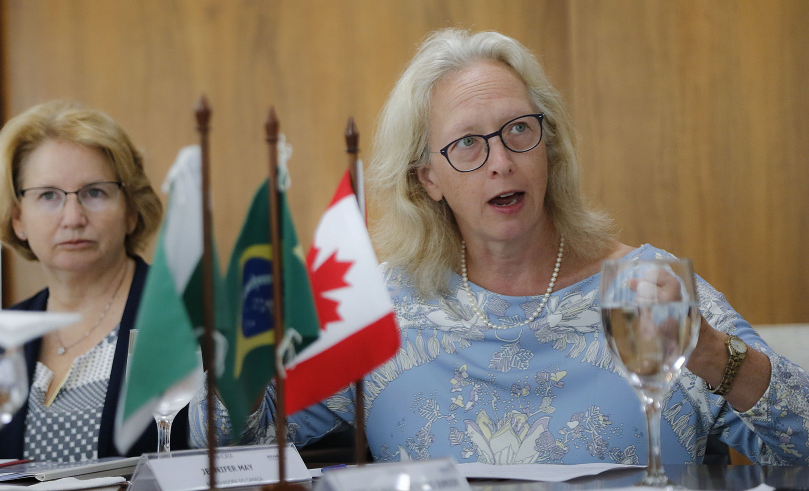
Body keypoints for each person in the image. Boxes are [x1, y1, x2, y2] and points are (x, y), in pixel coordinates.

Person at [190, 28, 809, 465]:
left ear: (549, 148)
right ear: (426, 178)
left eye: (519, 131)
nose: (501, 163)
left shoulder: (645, 284)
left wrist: (711, 354)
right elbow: (226, 449)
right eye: (467, 143)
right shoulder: (382, 304)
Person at [0, 100, 190, 462]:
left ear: (131, 211)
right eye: (49, 196)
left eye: (94, 192)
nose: (73, 218)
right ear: (18, 219)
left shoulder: (187, 318)